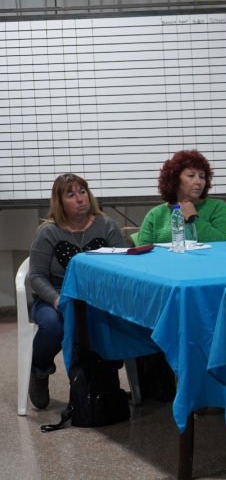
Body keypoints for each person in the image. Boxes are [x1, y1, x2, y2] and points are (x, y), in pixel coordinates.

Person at [27, 173, 127, 409]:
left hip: (97, 296)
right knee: (53, 326)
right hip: (56, 295)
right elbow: (37, 276)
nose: (80, 198)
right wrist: (56, 300)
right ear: (59, 202)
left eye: (82, 191)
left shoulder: (106, 224)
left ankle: (104, 378)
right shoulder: (48, 232)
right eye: (71, 194)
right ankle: (39, 370)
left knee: (115, 323)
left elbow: (125, 266)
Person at [135, 150, 226, 246]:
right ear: (175, 179)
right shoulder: (156, 214)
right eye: (191, 175)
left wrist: (194, 220)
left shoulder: (218, 207)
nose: (198, 181)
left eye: (202, 176)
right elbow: (141, 251)